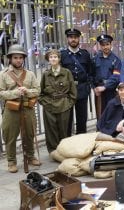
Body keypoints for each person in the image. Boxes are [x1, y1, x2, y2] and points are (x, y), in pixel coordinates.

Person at [0, 44, 41, 173]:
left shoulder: (30, 74)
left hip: (27, 108)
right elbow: (1, 93)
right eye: (15, 57)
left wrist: (27, 91)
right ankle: (11, 161)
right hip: (11, 109)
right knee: (10, 136)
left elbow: (37, 90)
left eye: (20, 57)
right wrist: (15, 93)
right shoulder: (3, 74)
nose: (18, 60)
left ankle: (30, 156)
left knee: (29, 133)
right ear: (10, 59)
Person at [38, 49, 77, 154]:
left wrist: (69, 103)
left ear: (59, 59)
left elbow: (73, 92)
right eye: (51, 57)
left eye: (55, 57)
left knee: (64, 130)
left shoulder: (66, 73)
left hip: (64, 106)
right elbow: (40, 93)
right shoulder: (45, 74)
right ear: (48, 60)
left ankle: (64, 151)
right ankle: (54, 152)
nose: (53, 59)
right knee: (51, 131)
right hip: (49, 106)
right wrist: (45, 104)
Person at [60, 28, 92, 136]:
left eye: (75, 37)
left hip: (82, 89)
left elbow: (91, 71)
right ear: (67, 39)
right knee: (67, 119)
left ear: (79, 39)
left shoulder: (85, 54)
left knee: (82, 118)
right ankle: (67, 142)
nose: (73, 39)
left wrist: (88, 85)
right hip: (67, 90)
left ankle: (81, 141)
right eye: (71, 37)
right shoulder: (62, 55)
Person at [92, 34, 121, 119]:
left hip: (111, 91)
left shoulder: (116, 60)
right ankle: (100, 129)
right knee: (100, 114)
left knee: (111, 113)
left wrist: (105, 87)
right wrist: (94, 88)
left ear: (111, 45)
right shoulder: (95, 59)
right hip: (98, 91)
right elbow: (91, 74)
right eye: (103, 45)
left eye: (107, 44)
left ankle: (111, 131)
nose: (105, 47)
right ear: (100, 46)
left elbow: (116, 76)